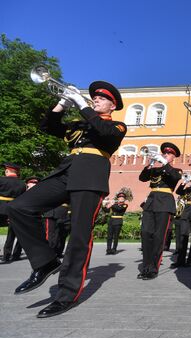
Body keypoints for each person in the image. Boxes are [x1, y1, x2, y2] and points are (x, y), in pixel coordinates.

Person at [8, 80, 126, 317]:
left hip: (91, 176)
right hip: (66, 171)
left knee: (79, 236)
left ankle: (66, 295)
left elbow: (103, 132)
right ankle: (46, 263)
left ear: (112, 106)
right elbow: (47, 126)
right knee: (19, 207)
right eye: (94, 98)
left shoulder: (117, 126)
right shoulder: (79, 124)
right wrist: (62, 104)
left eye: (101, 99)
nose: (96, 100)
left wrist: (82, 104)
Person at [138, 142, 182, 280]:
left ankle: (153, 268)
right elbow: (142, 178)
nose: (165, 155)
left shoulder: (176, 170)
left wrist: (164, 163)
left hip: (165, 202)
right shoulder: (155, 170)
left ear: (173, 157)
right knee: (145, 233)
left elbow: (175, 177)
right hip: (151, 201)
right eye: (164, 153)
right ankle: (145, 266)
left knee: (158, 236)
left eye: (168, 154)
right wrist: (151, 162)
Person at [171, 168, 191, 268]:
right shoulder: (189, 188)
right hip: (186, 212)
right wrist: (184, 182)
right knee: (183, 236)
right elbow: (179, 192)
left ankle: (190, 260)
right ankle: (180, 260)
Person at [0, 163, 26, 262]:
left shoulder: (1, 180)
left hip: (1, 208)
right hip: (13, 210)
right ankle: (7, 255)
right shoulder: (22, 184)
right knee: (11, 234)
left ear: (7, 171)